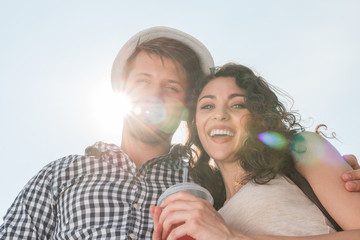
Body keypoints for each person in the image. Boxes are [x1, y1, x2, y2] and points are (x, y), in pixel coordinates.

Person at [0, 26, 359, 239]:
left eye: (171, 87)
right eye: (143, 81)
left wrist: (333, 173)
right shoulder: (61, 173)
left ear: (185, 106)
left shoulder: (203, 182)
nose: (155, 96)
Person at [151, 63, 360, 239]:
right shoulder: (211, 208)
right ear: (196, 123)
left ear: (259, 117)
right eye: (207, 106)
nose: (220, 115)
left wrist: (233, 237)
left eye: (237, 105)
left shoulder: (302, 149)